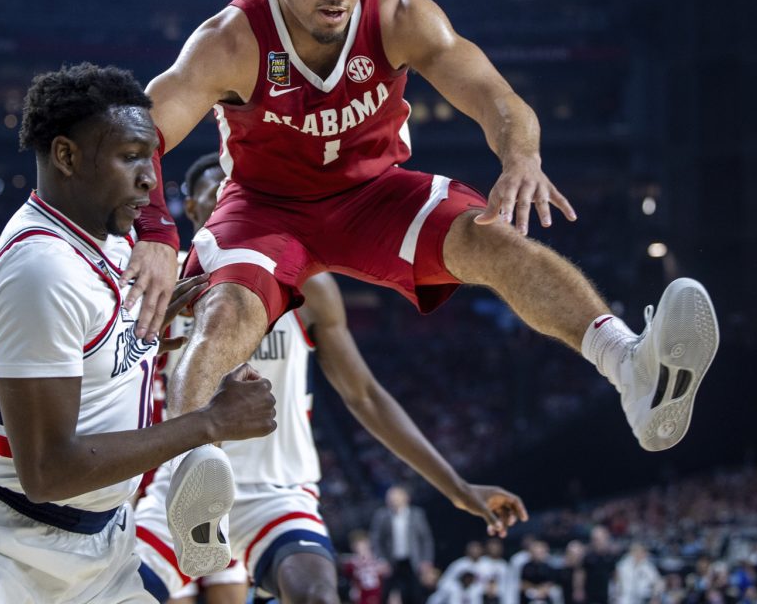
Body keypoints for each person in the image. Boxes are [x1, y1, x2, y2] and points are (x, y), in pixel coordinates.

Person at [122, 0, 719, 463]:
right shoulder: (232, 40)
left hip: (373, 194)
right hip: (266, 207)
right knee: (228, 311)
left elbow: (495, 95)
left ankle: (632, 369)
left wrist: (522, 156)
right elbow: (137, 134)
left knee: (496, 241)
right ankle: (189, 466)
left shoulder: (401, 15)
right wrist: (155, 232)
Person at [0, 64, 277, 604]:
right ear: (66, 156)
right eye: (130, 156)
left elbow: (62, 323)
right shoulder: (43, 269)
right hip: (2, 549)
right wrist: (210, 422)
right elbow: (49, 471)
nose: (150, 178)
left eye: (151, 156)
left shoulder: (106, 237)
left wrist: (145, 334)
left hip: (102, 551)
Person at [133, 154, 527, 603]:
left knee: (318, 595)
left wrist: (457, 488)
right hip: (181, 486)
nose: (227, 198)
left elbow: (364, 395)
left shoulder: (307, 285)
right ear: (196, 208)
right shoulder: (168, 285)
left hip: (275, 492)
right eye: (215, 192)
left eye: (234, 189)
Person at [371, 484, 436, 604]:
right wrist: (381, 560)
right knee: (386, 595)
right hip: (391, 562)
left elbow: (426, 540)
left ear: (405, 497)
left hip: (413, 561)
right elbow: (376, 540)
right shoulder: (382, 516)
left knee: (415, 595)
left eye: (395, 496)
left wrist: (426, 560)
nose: (392, 499)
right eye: (390, 496)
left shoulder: (417, 514)